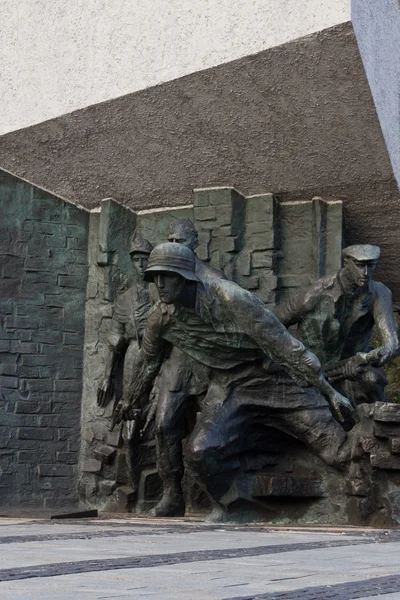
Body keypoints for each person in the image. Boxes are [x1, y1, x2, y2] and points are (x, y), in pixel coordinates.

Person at [114, 242, 356, 514]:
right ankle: (236, 507)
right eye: (155, 277)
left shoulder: (229, 298)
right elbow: (149, 363)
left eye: (167, 276)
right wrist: (131, 400)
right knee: (199, 451)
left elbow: (285, 345)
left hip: (273, 377)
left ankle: (371, 488)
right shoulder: (161, 318)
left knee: (334, 449)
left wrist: (328, 391)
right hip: (228, 386)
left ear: (185, 277)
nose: (159, 283)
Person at [150, 219, 225, 517]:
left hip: (210, 365)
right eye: (169, 239)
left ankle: (221, 498)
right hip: (178, 366)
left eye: (179, 241)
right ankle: (172, 495)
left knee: (211, 431)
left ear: (194, 243)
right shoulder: (163, 279)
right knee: (164, 425)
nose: (173, 245)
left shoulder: (214, 280)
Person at [274, 245, 399, 405]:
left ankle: (377, 426)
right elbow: (274, 323)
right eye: (360, 265)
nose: (366, 273)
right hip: (313, 372)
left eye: (371, 265)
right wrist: (291, 359)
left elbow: (392, 344)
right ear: (346, 262)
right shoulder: (316, 293)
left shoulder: (380, 293)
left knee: (371, 379)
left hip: (355, 368)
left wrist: (369, 359)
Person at [97, 234, 153, 485]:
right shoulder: (124, 299)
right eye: (137, 260)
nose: (141, 265)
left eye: (145, 259)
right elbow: (115, 340)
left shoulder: (162, 293)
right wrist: (106, 376)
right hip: (133, 357)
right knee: (131, 416)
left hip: (161, 356)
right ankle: (133, 482)